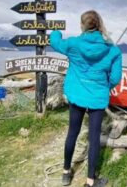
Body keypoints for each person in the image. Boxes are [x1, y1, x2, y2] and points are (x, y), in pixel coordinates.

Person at [50, 10, 122, 187]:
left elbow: (55, 42)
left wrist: (56, 31)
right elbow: (115, 79)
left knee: (72, 133)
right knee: (94, 137)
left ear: (82, 25)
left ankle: (66, 173)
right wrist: (103, 87)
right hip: (97, 98)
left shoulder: (73, 44)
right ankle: (90, 181)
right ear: (100, 25)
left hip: (76, 95)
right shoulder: (113, 50)